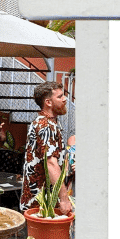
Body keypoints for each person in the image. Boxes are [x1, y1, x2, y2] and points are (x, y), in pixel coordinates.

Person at [21, 82, 73, 212]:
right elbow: (51, 163)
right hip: (41, 206)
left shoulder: (51, 123)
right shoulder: (45, 126)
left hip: (45, 202)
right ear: (48, 102)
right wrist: (64, 199)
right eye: (60, 96)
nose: (65, 99)